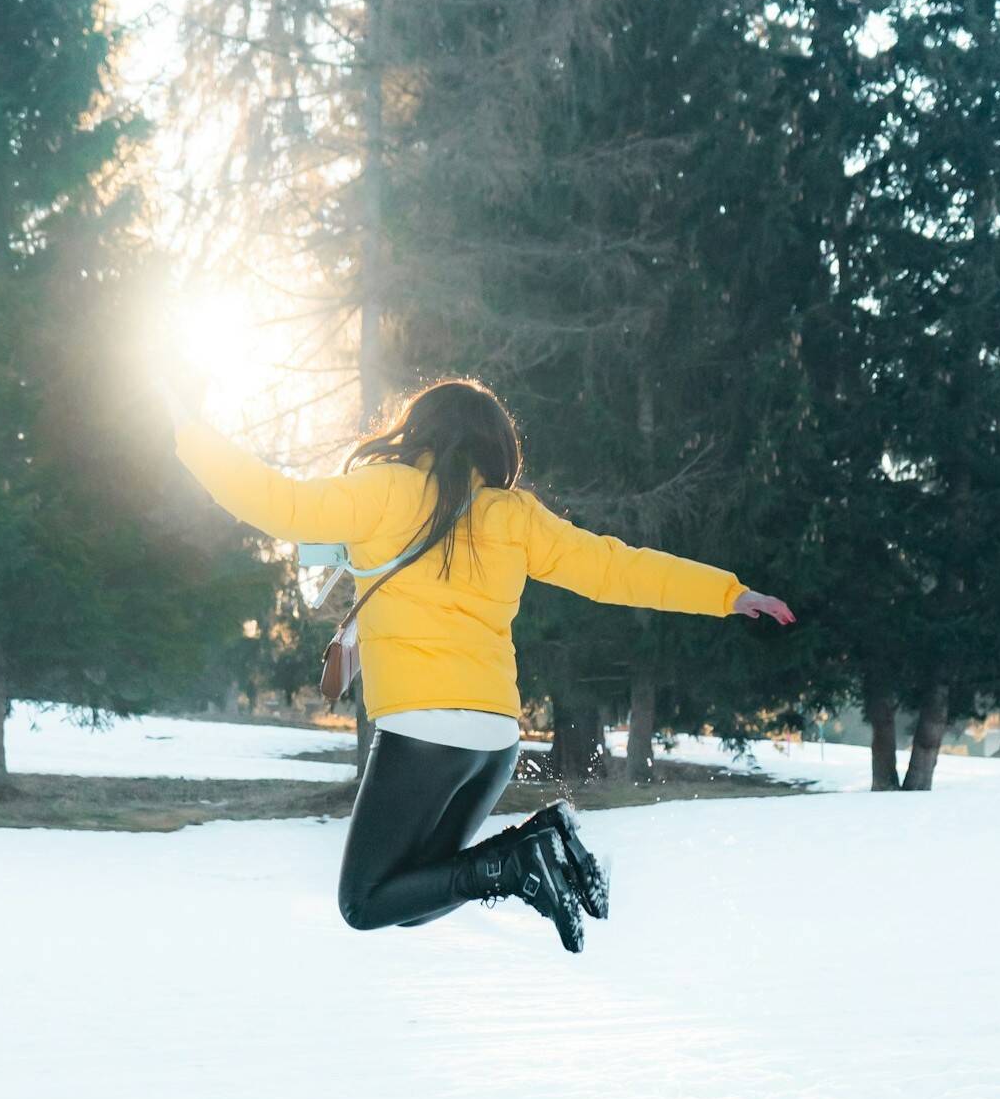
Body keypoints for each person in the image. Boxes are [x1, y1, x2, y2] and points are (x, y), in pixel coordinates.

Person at [165, 377, 794, 953]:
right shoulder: (512, 515)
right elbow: (614, 567)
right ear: (495, 448)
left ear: (419, 429)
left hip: (423, 731)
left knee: (365, 902)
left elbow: (277, 501)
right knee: (417, 897)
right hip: (493, 739)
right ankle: (537, 843)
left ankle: (520, 860)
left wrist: (188, 430)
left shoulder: (386, 490)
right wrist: (729, 593)